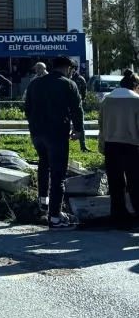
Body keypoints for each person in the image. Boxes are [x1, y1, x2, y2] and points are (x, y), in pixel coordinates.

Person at [24, 55, 84, 231]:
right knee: (58, 175)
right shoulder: (68, 84)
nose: (72, 73)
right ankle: (55, 218)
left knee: (44, 164)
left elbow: (27, 108)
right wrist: (78, 129)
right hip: (56, 134)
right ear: (67, 68)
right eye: (71, 69)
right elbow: (77, 109)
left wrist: (34, 125)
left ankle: (43, 201)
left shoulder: (35, 83)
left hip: (37, 133)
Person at [96, 69, 139, 230]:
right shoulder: (136, 101)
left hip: (111, 146)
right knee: (135, 183)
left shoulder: (107, 100)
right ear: (135, 86)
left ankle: (119, 216)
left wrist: (102, 146)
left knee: (115, 183)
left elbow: (101, 125)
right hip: (132, 147)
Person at [70, 67, 90, 152]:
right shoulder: (65, 78)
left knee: (81, 125)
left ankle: (83, 146)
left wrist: (81, 101)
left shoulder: (80, 79)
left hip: (77, 105)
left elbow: (84, 91)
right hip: (66, 105)